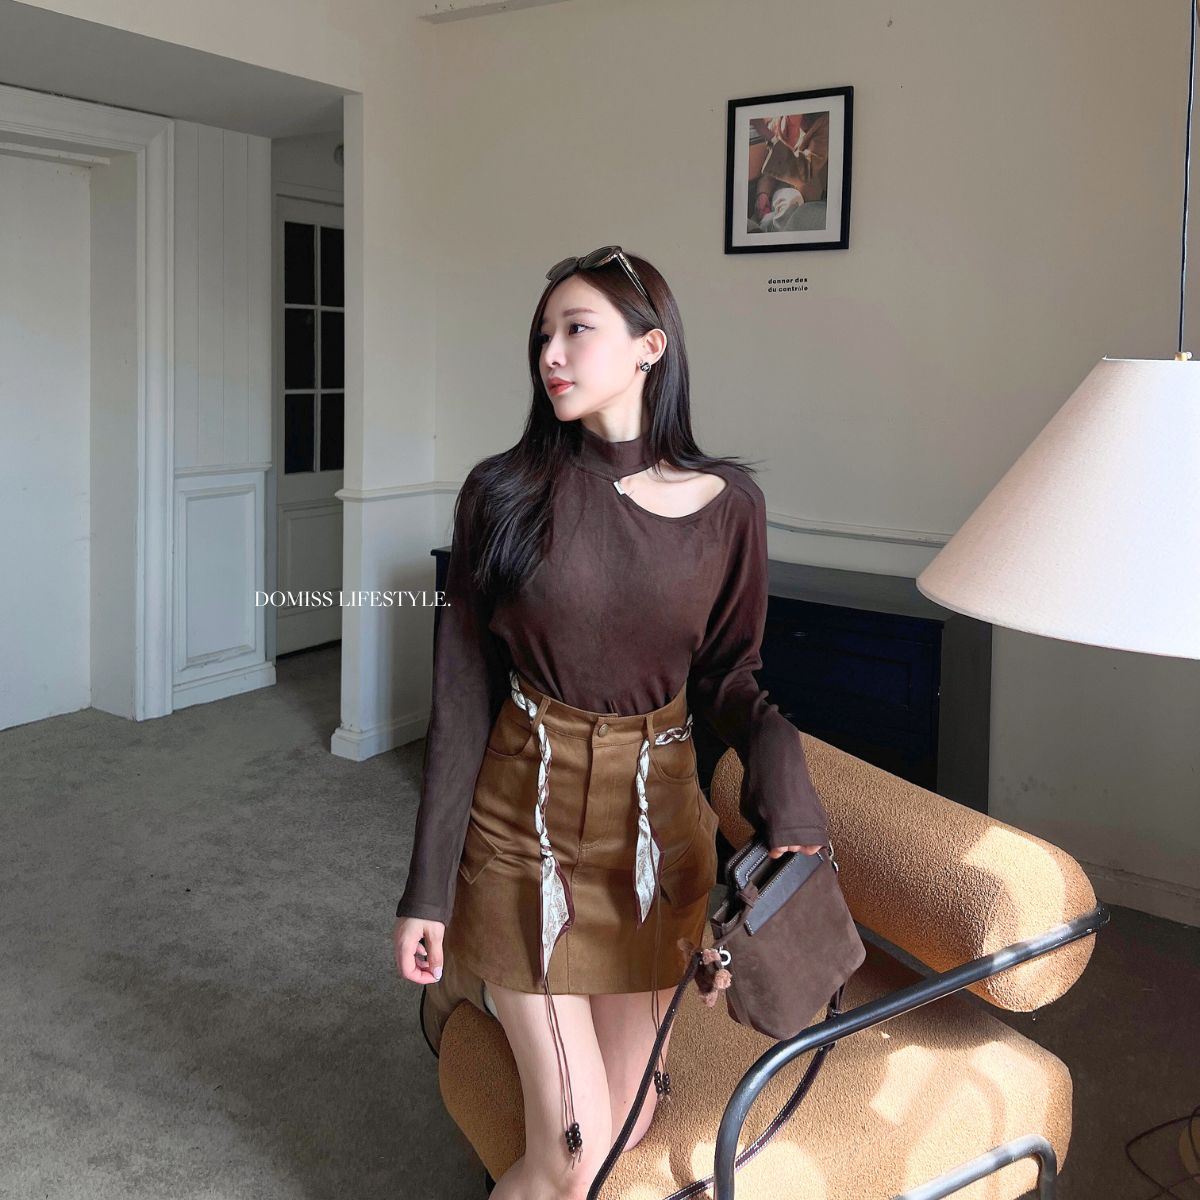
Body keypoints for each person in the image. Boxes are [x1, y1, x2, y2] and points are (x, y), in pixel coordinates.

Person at [393, 246, 829, 1199]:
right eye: (542, 335)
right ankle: (499, 982)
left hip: (656, 846)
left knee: (634, 1128)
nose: (549, 353)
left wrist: (778, 756)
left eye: (576, 329)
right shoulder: (501, 493)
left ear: (649, 347)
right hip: (524, 832)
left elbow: (730, 675)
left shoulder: (729, 506)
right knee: (576, 1158)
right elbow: (461, 699)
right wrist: (426, 890)